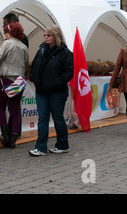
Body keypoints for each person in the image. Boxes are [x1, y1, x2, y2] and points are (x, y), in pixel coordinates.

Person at [28, 25, 73, 156]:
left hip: (57, 92)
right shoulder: (42, 49)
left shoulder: (65, 53)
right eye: (45, 35)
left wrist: (57, 82)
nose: (46, 37)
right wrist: (33, 77)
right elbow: (35, 64)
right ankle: (41, 147)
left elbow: (69, 72)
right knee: (42, 118)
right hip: (41, 90)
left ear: (56, 36)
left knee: (58, 118)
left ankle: (63, 144)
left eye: (49, 35)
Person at [0, 22, 29, 148]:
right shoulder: (24, 47)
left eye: (5, 32)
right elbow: (26, 65)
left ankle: (6, 135)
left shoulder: (7, 44)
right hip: (20, 80)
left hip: (7, 79)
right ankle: (13, 138)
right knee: (15, 109)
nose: (5, 35)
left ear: (10, 32)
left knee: (1, 108)